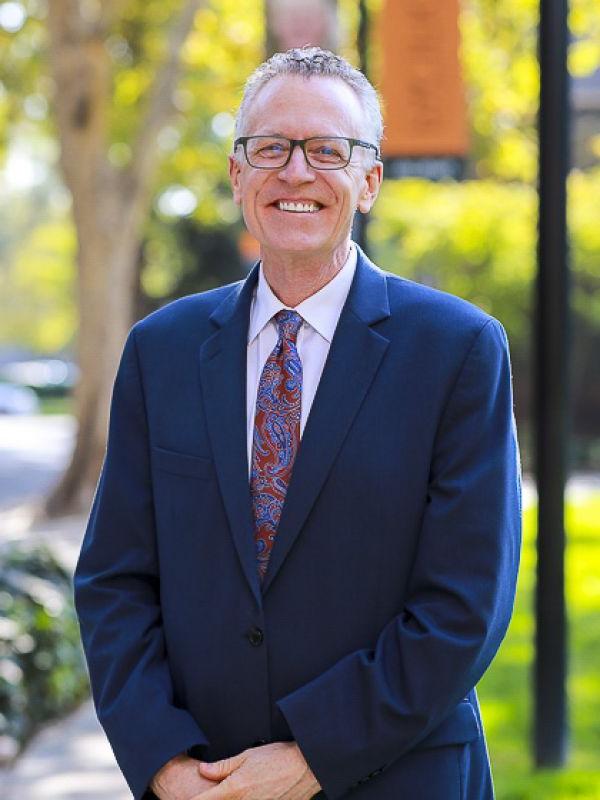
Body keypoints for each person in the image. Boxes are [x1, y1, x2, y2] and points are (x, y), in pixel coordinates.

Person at [74, 47, 521, 800]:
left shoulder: (459, 350)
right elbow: (116, 579)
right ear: (237, 173)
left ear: (369, 180)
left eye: (327, 150)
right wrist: (163, 763)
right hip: (202, 782)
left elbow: (465, 604)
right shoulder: (162, 350)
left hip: (398, 777)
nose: (296, 172)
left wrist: (313, 755)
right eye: (271, 147)